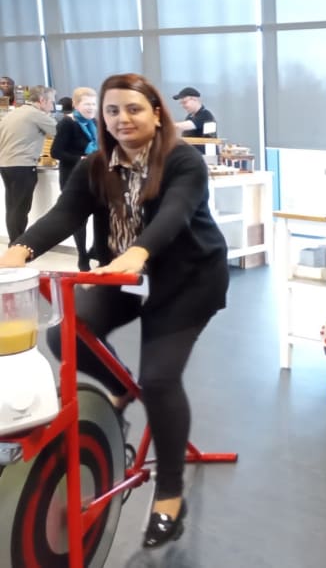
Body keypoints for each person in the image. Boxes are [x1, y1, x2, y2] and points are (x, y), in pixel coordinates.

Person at [0, 73, 229, 549]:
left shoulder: (183, 161)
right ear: (102, 117)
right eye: (112, 111)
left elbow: (176, 214)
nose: (122, 119)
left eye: (134, 109)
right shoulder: (95, 165)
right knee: (66, 333)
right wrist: (19, 250)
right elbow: (65, 214)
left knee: (160, 380)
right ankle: (123, 392)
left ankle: (170, 496)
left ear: (157, 114)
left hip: (187, 281)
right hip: (122, 276)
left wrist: (138, 252)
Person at [0, 84, 57, 242]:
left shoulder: (14, 113)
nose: (53, 106)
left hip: (6, 165)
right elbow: (60, 132)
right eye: (51, 101)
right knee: (21, 208)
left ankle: (14, 242)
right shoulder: (35, 114)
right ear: (42, 100)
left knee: (13, 207)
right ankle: (17, 244)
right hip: (23, 165)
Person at [50, 86, 99, 270]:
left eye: (93, 104)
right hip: (73, 177)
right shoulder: (67, 123)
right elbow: (56, 152)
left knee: (101, 214)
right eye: (87, 104)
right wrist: (80, 159)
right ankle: (82, 257)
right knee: (79, 219)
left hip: (95, 175)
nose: (91, 108)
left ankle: (95, 249)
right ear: (76, 105)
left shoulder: (95, 122)